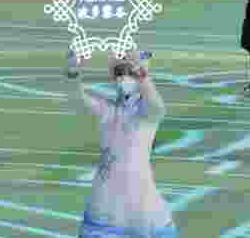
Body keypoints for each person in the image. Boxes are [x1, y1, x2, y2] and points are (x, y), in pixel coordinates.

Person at [67, 49, 179, 238]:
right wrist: (72, 72)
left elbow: (157, 104)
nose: (123, 78)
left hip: (142, 204)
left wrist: (141, 72)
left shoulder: (149, 115)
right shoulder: (109, 110)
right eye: (119, 72)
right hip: (105, 200)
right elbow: (76, 101)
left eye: (129, 72)